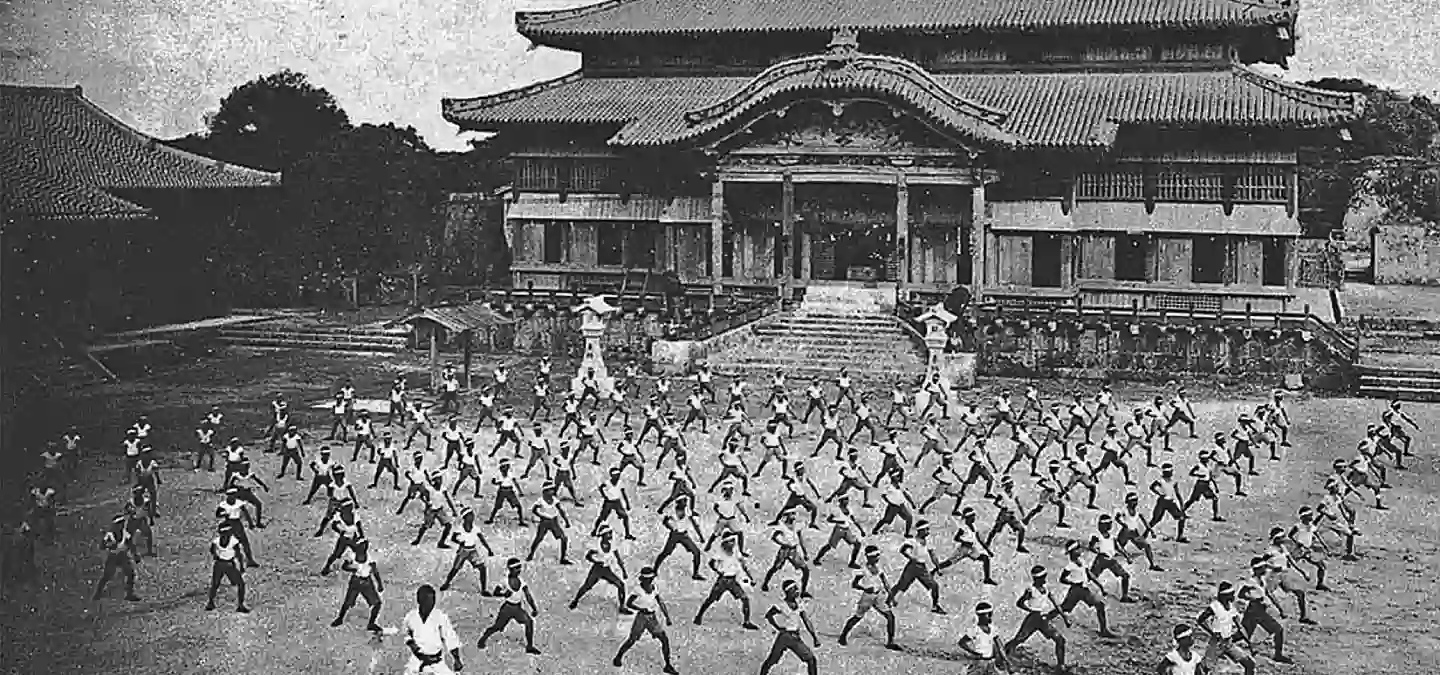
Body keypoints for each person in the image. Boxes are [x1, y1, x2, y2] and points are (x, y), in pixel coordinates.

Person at [612, 567, 680, 675]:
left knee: (664, 639)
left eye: (651, 579)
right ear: (643, 580)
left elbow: (660, 601)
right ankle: (618, 657)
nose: (650, 581)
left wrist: (667, 617)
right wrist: (640, 609)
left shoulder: (654, 588)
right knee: (632, 640)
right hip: (642, 618)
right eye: (648, 580)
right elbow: (629, 603)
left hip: (652, 618)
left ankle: (668, 665)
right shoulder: (637, 590)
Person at [1003, 565, 1067, 671]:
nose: (1044, 579)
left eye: (1044, 576)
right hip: (1033, 619)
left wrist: (1064, 617)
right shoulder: (1031, 590)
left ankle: (1061, 665)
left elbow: (1055, 603)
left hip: (1044, 619)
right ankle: (1002, 652)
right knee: (1020, 639)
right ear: (1036, 578)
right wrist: (1030, 610)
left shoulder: (1046, 588)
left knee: (1060, 639)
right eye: (1042, 577)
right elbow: (1019, 603)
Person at [837, 545, 899, 650]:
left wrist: (891, 597)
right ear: (868, 557)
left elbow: (885, 582)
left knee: (890, 617)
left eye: (877, 555)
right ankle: (843, 636)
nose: (877, 558)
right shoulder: (863, 570)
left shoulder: (879, 568)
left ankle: (891, 642)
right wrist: (865, 588)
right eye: (875, 556)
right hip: (867, 596)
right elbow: (854, 584)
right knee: (857, 617)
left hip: (878, 595)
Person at [476, 558, 542, 654]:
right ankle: (483, 638)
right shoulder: (504, 581)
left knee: (529, 622)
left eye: (519, 567)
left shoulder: (521, 581)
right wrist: (503, 594)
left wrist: (534, 608)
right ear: (510, 569)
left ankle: (530, 646)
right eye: (516, 568)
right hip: (507, 609)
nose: (519, 570)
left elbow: (528, 596)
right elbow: (495, 592)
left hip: (517, 608)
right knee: (497, 627)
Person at [694, 532, 759, 629]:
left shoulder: (736, 551)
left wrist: (751, 577)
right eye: (730, 542)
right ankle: (698, 616)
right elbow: (711, 563)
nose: (733, 543)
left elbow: (743, 564)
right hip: (723, 581)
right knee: (711, 599)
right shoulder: (720, 552)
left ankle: (747, 621)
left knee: (745, 599)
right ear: (725, 543)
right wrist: (718, 571)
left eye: (733, 541)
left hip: (733, 580)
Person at [759, 579, 821, 675]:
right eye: (794, 589)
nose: (797, 591)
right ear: (788, 592)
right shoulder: (781, 605)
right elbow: (769, 615)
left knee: (811, 659)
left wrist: (814, 637)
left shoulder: (799, 604)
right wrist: (777, 627)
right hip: (784, 637)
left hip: (795, 637)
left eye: (797, 588)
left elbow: (806, 621)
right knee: (772, 660)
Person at [403, 584, 463, 675]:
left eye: (433, 600)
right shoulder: (411, 617)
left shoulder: (440, 617)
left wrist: (457, 659)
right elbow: (406, 634)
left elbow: (450, 638)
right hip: (417, 661)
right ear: (419, 600)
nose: (432, 603)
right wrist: (415, 649)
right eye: (428, 600)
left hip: (436, 662)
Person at [1197, 581, 1255, 675]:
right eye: (1231, 594)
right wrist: (1212, 632)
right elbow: (1200, 620)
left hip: (1228, 643)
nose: (1233, 596)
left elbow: (1240, 627)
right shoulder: (1215, 606)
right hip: (1217, 643)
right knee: (1203, 670)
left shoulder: (1231, 607)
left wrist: (1250, 643)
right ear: (1225, 595)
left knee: (1249, 664)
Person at [569, 525, 630, 613]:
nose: (611, 535)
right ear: (603, 535)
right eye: (608, 533)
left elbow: (618, 559)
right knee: (587, 586)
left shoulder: (612, 544)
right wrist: (595, 561)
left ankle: (622, 607)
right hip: (597, 569)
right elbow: (588, 556)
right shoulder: (596, 545)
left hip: (606, 570)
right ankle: (575, 600)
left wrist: (624, 571)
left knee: (621, 585)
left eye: (610, 532)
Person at [331, 538, 385, 631]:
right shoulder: (352, 556)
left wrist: (379, 584)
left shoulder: (370, 558)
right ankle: (340, 618)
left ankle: (371, 624)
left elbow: (375, 572)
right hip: (356, 581)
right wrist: (352, 568)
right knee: (348, 602)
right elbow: (344, 566)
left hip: (367, 582)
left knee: (377, 604)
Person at [440, 509, 495, 592]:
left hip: (472, 550)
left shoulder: (475, 528)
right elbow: (453, 538)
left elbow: (482, 539)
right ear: (465, 518)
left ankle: (484, 589)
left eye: (472, 515)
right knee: (455, 569)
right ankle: (446, 583)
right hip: (464, 551)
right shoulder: (460, 528)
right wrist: (459, 542)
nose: (473, 517)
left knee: (482, 568)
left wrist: (489, 549)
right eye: (470, 515)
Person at [92, 515, 141, 602]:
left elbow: (130, 543)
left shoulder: (124, 532)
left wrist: (135, 555)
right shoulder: (110, 535)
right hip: (113, 557)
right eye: (119, 523)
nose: (121, 525)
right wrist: (108, 544)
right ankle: (97, 593)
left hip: (122, 556)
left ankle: (129, 594)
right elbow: (102, 546)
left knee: (130, 574)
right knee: (107, 576)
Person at [205, 523, 250, 613]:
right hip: (229, 564)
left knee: (215, 584)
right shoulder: (234, 541)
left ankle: (210, 603)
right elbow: (238, 554)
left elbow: (212, 551)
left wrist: (217, 556)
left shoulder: (216, 541)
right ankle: (240, 605)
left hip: (219, 565)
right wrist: (241, 566)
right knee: (241, 584)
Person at [956, 602, 1009, 674]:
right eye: (989, 615)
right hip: (980, 662)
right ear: (981, 616)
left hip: (991, 662)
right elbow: (961, 643)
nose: (990, 617)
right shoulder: (975, 630)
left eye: (991, 615)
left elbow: (1000, 647)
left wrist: (1006, 660)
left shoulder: (993, 629)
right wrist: (973, 653)